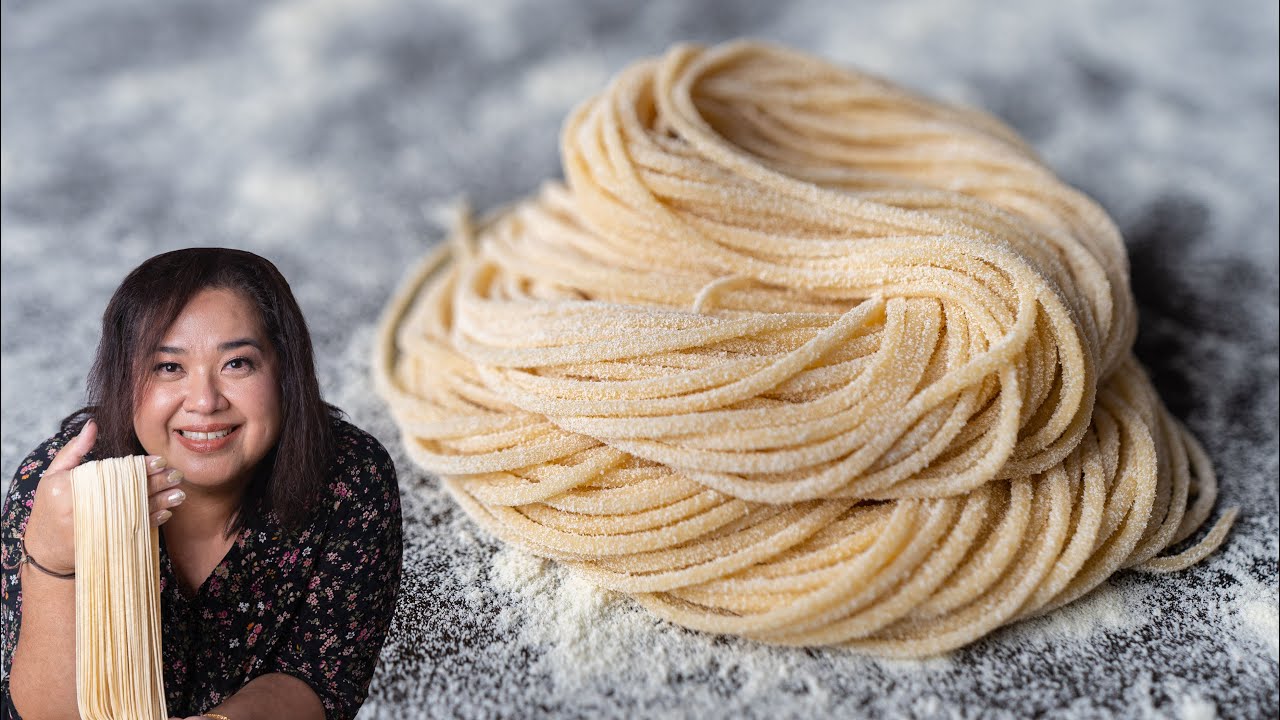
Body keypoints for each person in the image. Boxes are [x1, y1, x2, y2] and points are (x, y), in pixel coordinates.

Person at [1, 248, 403, 720]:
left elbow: (317, 678)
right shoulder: (59, 490)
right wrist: (51, 562)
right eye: (168, 367)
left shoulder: (350, 477)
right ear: (122, 378)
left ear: (285, 371)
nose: (205, 401)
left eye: (237, 364)